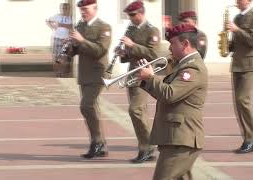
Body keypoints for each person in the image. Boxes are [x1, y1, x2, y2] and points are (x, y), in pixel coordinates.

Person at [138, 23, 208, 180]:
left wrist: (150, 77)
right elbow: (166, 95)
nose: (169, 48)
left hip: (182, 139)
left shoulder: (192, 69)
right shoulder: (183, 65)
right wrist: (147, 81)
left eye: (172, 43)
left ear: (185, 44)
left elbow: (170, 94)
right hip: (176, 137)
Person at [66, 0, 112, 158]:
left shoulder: (104, 27)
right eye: (81, 10)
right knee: (92, 109)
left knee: (86, 106)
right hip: (84, 74)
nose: (83, 12)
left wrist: (81, 40)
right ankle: (100, 145)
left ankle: (97, 142)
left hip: (98, 73)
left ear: (95, 8)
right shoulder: (80, 26)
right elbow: (77, 49)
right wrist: (70, 49)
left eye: (85, 9)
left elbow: (100, 50)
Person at [119, 0, 160, 163]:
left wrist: (132, 45)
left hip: (144, 75)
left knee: (135, 110)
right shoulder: (131, 28)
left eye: (133, 15)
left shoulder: (152, 30)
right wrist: (123, 53)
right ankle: (147, 147)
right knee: (139, 112)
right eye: (129, 15)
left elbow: (153, 55)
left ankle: (147, 146)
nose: (130, 18)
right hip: (132, 74)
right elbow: (130, 54)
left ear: (141, 13)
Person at [227, 0, 253, 154]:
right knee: (238, 103)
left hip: (250, 64)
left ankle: (251, 137)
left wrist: (236, 30)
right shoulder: (237, 18)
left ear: (249, 1)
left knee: (243, 99)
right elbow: (237, 43)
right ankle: (249, 138)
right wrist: (227, 44)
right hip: (237, 64)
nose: (237, 1)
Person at [46, 3, 73, 77]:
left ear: (69, 9)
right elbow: (47, 20)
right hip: (56, 38)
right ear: (61, 9)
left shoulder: (71, 18)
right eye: (63, 8)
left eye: (66, 8)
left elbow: (70, 26)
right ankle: (57, 72)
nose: (64, 10)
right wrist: (52, 26)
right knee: (56, 57)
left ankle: (62, 72)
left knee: (64, 57)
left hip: (66, 40)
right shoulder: (57, 16)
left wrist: (60, 24)